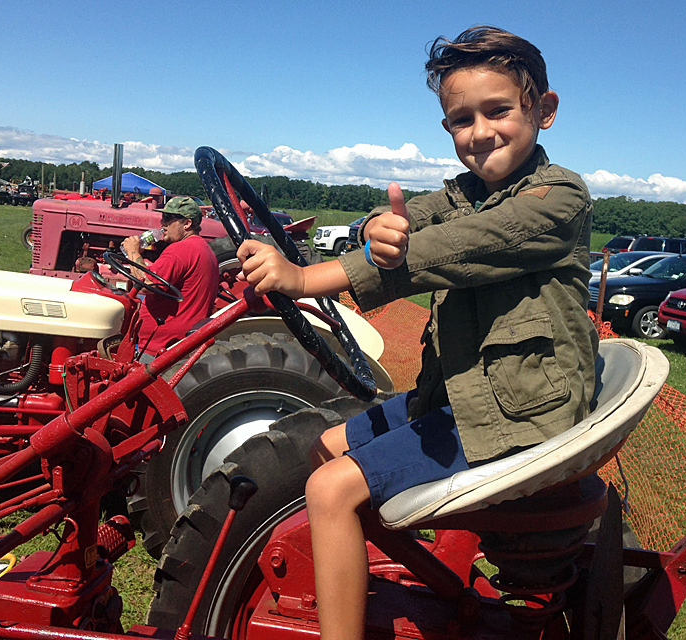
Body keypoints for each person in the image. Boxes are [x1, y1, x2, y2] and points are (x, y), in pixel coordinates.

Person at [236, 25, 597, 640]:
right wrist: (379, 225)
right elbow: (405, 222)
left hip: (520, 411)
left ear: (545, 110)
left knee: (328, 491)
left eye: (498, 110)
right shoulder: (465, 192)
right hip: (465, 396)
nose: (480, 132)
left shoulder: (557, 198)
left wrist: (301, 278)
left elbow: (444, 249)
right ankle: (368, 559)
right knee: (328, 447)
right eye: (461, 120)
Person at [121, 196, 220, 358]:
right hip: (180, 345)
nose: (162, 224)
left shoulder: (180, 250)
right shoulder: (204, 250)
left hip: (160, 349)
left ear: (187, 224)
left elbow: (147, 284)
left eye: (168, 218)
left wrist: (133, 252)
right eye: (162, 218)